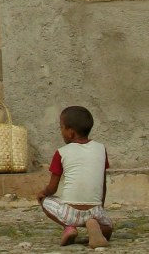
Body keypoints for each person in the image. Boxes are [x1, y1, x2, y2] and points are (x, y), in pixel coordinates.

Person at [37, 106, 113, 248]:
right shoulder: (101, 149)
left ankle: (69, 227)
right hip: (95, 211)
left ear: (71, 133)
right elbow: (102, 184)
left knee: (45, 202)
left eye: (61, 128)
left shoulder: (61, 152)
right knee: (108, 229)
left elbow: (52, 189)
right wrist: (99, 208)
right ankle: (95, 225)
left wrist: (43, 193)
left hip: (70, 213)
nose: (61, 131)